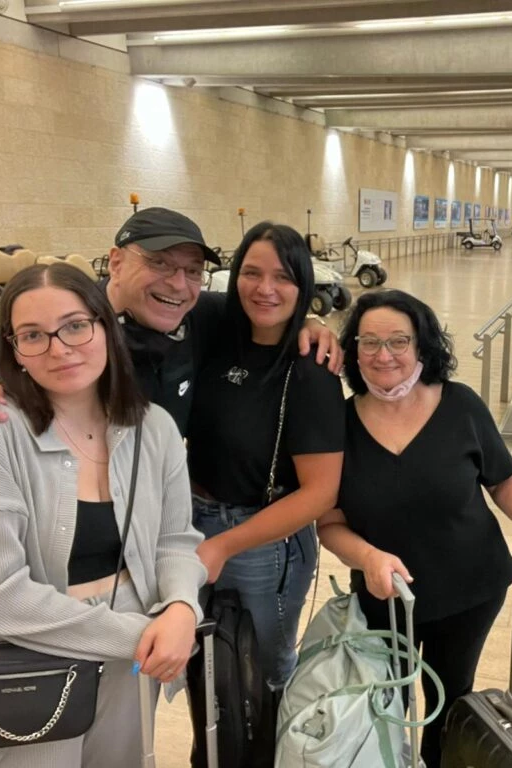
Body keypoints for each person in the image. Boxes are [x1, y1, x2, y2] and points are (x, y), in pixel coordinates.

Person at [0, 262, 206, 766]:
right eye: (33, 335)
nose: (59, 347)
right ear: (14, 351)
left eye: (75, 326)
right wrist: (141, 633)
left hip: (128, 672)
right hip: (18, 669)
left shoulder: (153, 428)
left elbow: (175, 541)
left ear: (106, 329)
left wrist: (181, 606)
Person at [317, 289, 512, 768]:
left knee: (449, 700)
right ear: (354, 351)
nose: (384, 354)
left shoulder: (460, 405)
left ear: (422, 346)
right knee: (386, 703)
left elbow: (503, 477)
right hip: (384, 597)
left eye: (398, 341)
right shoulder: (339, 423)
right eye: (369, 342)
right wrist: (368, 557)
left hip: (470, 589)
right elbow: (328, 523)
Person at [0, 207, 341, 451]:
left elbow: (262, 305)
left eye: (192, 271)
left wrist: (310, 320)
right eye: (158, 263)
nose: (178, 284)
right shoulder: (58, 327)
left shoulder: (198, 314)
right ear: (116, 261)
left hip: (153, 536)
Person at [187, 222, 344, 689]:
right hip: (190, 522)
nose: (265, 289)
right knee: (206, 665)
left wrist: (224, 545)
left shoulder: (311, 372)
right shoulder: (215, 334)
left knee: (261, 675)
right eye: (252, 273)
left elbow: (320, 494)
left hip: (261, 544)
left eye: (283, 278)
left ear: (303, 286)